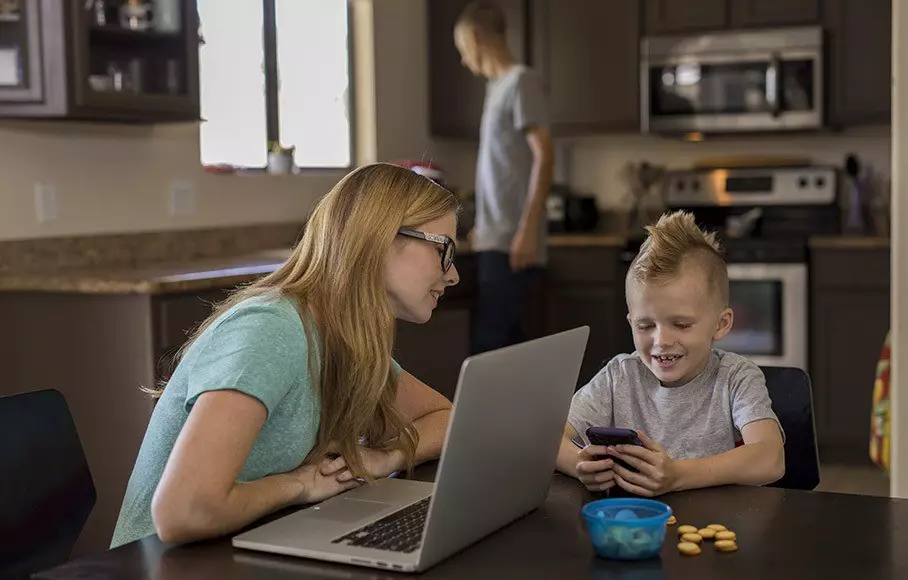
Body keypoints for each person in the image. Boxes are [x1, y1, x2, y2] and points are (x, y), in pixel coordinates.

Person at [111, 163, 460, 547]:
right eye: (444, 249)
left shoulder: (344, 338)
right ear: (380, 239)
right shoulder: (271, 329)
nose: (453, 274)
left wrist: (386, 456)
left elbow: (446, 418)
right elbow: (183, 512)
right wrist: (298, 485)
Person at [555, 211, 785, 496]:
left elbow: (770, 458)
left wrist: (676, 476)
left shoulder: (736, 377)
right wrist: (579, 464)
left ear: (721, 324)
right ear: (630, 323)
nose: (661, 340)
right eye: (646, 325)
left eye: (681, 324)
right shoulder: (619, 376)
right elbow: (551, 438)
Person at [453, 1, 554, 354]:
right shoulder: (494, 89)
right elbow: (501, 168)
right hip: (495, 239)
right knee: (505, 345)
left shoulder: (521, 82)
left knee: (490, 345)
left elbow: (544, 154)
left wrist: (526, 230)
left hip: (513, 242)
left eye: (463, 49)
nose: (465, 60)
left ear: (476, 37)